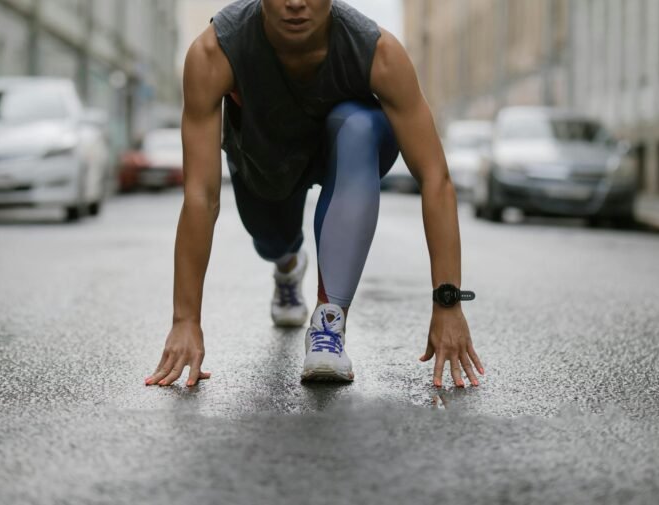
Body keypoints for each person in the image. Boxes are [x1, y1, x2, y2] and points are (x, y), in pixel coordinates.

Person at [145, 0, 484, 388]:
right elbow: (201, 196)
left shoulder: (378, 51)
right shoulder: (215, 52)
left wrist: (448, 303)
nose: (295, 3)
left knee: (356, 124)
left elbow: (435, 180)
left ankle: (329, 321)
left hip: (345, 149)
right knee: (272, 242)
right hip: (266, 160)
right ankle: (288, 264)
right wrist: (185, 321)